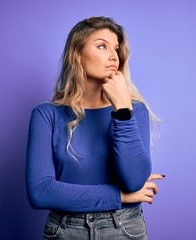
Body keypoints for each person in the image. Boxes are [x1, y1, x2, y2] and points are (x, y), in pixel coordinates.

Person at [26, 16, 165, 240]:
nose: (113, 56)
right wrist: (119, 196)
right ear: (77, 55)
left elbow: (134, 181)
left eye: (116, 49)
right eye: (102, 46)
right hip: (65, 230)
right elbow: (41, 192)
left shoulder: (134, 110)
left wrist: (122, 110)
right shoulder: (46, 114)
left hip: (124, 228)